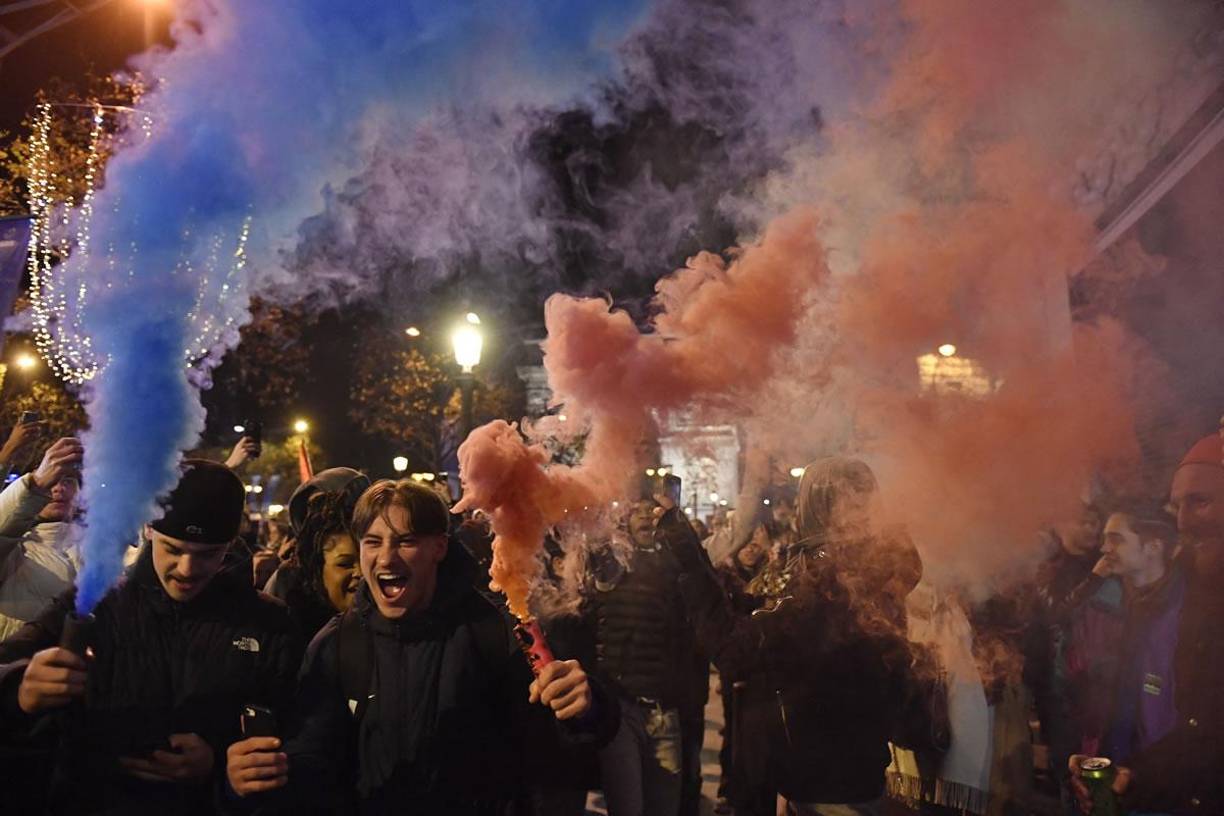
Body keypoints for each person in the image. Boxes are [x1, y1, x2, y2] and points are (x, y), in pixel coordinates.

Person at [225, 479, 616, 815]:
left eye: (406, 541)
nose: (386, 557)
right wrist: (260, 775)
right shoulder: (337, 643)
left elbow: (555, 753)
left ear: (439, 547)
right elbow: (314, 761)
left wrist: (584, 708)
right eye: (372, 542)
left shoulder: (493, 632)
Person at [0, 459, 302, 815]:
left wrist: (220, 766)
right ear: (148, 530)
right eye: (173, 549)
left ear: (230, 544)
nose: (187, 570)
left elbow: (298, 737)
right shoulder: (91, 603)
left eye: (208, 555)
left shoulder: (268, 623)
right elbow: (9, 665)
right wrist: (20, 690)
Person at [675, 457, 925, 816]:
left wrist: (689, 561)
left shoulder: (831, 585)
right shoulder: (870, 574)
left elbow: (734, 649)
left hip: (829, 791)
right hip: (852, 778)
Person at [1070, 432, 1224, 814]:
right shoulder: (1184, 600)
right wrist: (1128, 774)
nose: (1184, 521)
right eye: (1177, 506)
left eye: (1201, 501)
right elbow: (1200, 731)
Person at [584, 491, 704, 816]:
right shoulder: (612, 565)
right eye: (638, 512)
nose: (645, 517)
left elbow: (701, 568)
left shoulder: (673, 568)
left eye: (651, 512)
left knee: (664, 807)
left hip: (665, 712)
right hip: (622, 710)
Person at [1094, 509, 1183, 765]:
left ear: (1153, 547)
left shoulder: (1184, 611)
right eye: (1105, 539)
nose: (1104, 548)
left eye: (1116, 539)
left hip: (1164, 765)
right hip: (1118, 754)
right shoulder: (1115, 601)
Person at [0, 437, 83, 640]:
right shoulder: (13, 551)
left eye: (68, 481)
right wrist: (35, 485)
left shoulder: (112, 549)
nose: (58, 488)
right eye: (52, 479)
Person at [265, 491, 360, 639]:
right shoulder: (284, 632)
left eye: (366, 561)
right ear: (317, 569)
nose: (361, 573)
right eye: (345, 564)